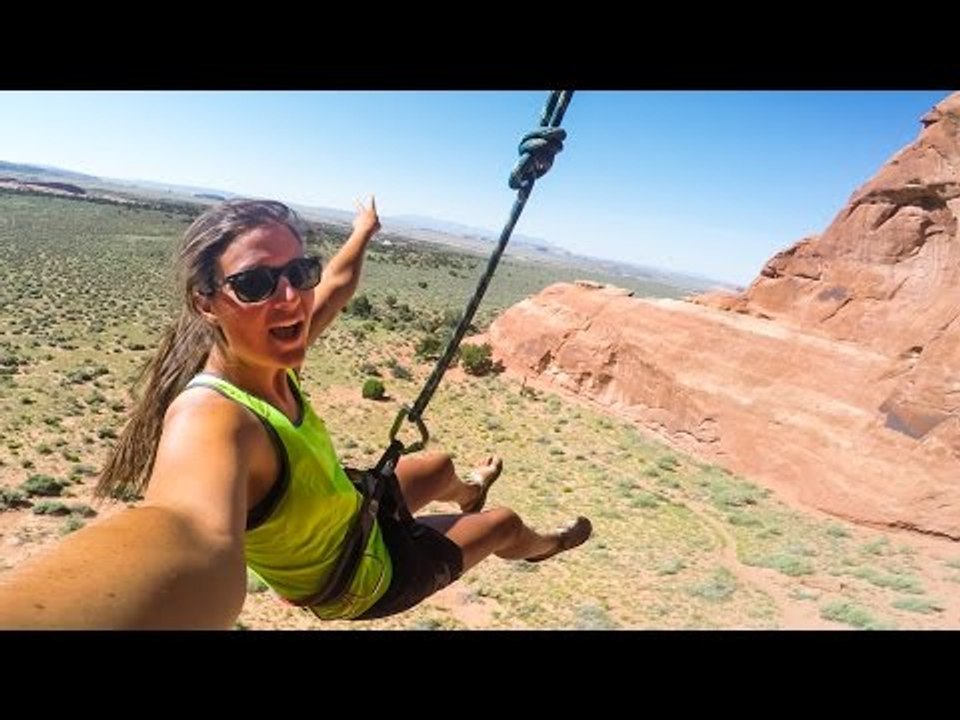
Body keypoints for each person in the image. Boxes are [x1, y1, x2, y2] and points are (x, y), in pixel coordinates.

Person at [0, 198, 592, 629]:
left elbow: (335, 286)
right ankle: (547, 545)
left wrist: (363, 230)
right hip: (358, 578)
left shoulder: (271, 360)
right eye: (256, 283)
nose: (289, 297)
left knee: (436, 466)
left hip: (350, 512)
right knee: (507, 524)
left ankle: (466, 494)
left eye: (297, 272)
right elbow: (186, 537)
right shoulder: (215, 420)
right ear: (205, 302)